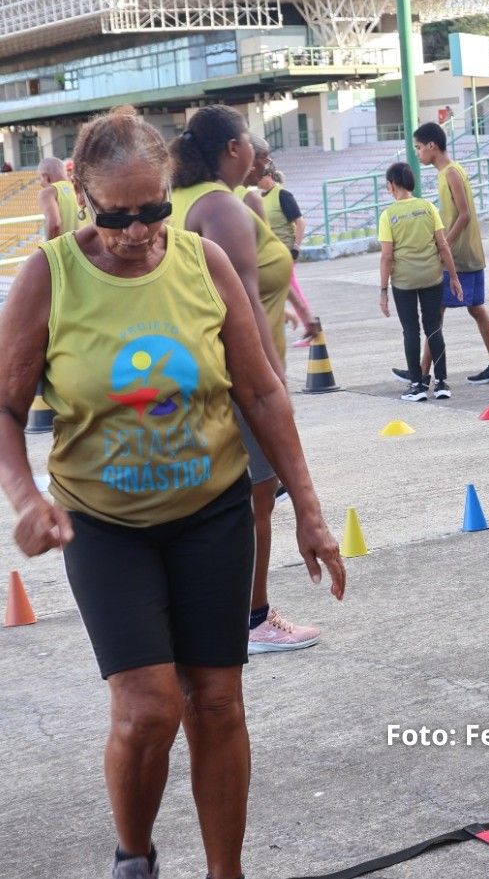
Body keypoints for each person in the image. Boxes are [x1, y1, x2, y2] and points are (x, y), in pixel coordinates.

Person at [0, 105, 345, 879]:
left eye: (154, 208)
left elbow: (261, 393)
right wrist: (25, 496)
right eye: (119, 216)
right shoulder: (48, 276)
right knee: (150, 706)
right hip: (103, 525)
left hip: (213, 513)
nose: (140, 231)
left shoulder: (203, 262)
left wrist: (311, 513)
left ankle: (229, 873)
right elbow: (6, 406)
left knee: (217, 701)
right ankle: (136, 855)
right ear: (84, 200)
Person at [168, 105, 321, 655]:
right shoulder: (222, 210)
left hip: (198, 375)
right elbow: (249, 307)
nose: (257, 148)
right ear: (233, 148)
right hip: (240, 380)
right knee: (256, 502)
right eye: (250, 138)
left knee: (224, 503)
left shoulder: (182, 202)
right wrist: (274, 391)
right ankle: (252, 617)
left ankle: (220, 612)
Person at [413, 122, 489, 385]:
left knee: (437, 311)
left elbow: (464, 215)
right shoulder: (449, 172)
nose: (418, 153)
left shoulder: (451, 173)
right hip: (467, 253)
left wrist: (443, 245)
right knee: (474, 308)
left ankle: (421, 373)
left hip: (460, 255)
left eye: (419, 148)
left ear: (432, 145)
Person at [378, 162, 463, 401]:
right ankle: (442, 383)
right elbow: (443, 245)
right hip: (431, 277)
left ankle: (416, 384)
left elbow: (386, 256)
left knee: (411, 331)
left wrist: (383, 290)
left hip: (404, 281)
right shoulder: (427, 207)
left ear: (391, 185)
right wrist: (454, 277)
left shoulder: (388, 215)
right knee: (433, 328)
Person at [257, 166, 305, 259]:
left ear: (269, 176)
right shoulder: (260, 197)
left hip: (284, 250)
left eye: (259, 176)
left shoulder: (283, 194)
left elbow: (300, 222)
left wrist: (296, 248)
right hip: (270, 251)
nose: (256, 179)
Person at [37, 156, 79, 240]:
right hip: (90, 249)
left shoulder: (48, 192)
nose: (40, 183)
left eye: (40, 178)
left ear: (46, 177)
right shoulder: (80, 188)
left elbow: (54, 224)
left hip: (69, 249)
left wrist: (48, 251)